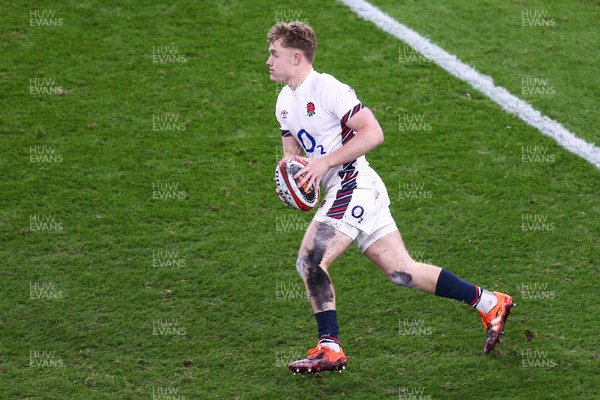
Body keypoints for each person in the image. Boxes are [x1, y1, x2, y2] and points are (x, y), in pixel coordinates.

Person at [266, 21, 514, 375]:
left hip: (355, 184)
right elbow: (294, 160)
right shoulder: (283, 103)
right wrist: (296, 181)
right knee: (402, 271)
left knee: (310, 260)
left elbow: (373, 132)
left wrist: (324, 163)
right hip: (344, 190)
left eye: (274, 54)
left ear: (296, 56)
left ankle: (329, 347)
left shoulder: (328, 89)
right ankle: (491, 302)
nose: (268, 61)